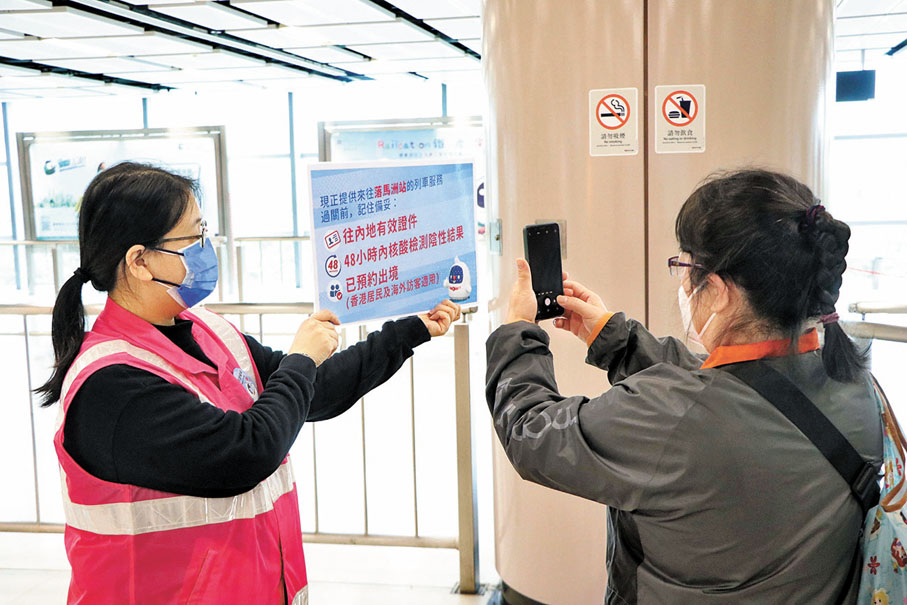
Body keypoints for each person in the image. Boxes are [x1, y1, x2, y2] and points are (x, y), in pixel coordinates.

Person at [36, 162, 461, 605]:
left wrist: (409, 330)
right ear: (140, 261)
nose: (207, 249)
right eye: (194, 238)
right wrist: (301, 358)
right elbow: (246, 452)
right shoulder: (112, 385)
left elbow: (312, 390)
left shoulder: (206, 330)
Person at [486, 169, 882, 603]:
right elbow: (732, 391)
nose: (683, 281)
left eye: (685, 265)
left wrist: (516, 331)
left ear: (719, 289)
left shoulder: (669, 416)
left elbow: (531, 434)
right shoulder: (855, 383)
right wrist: (615, 340)